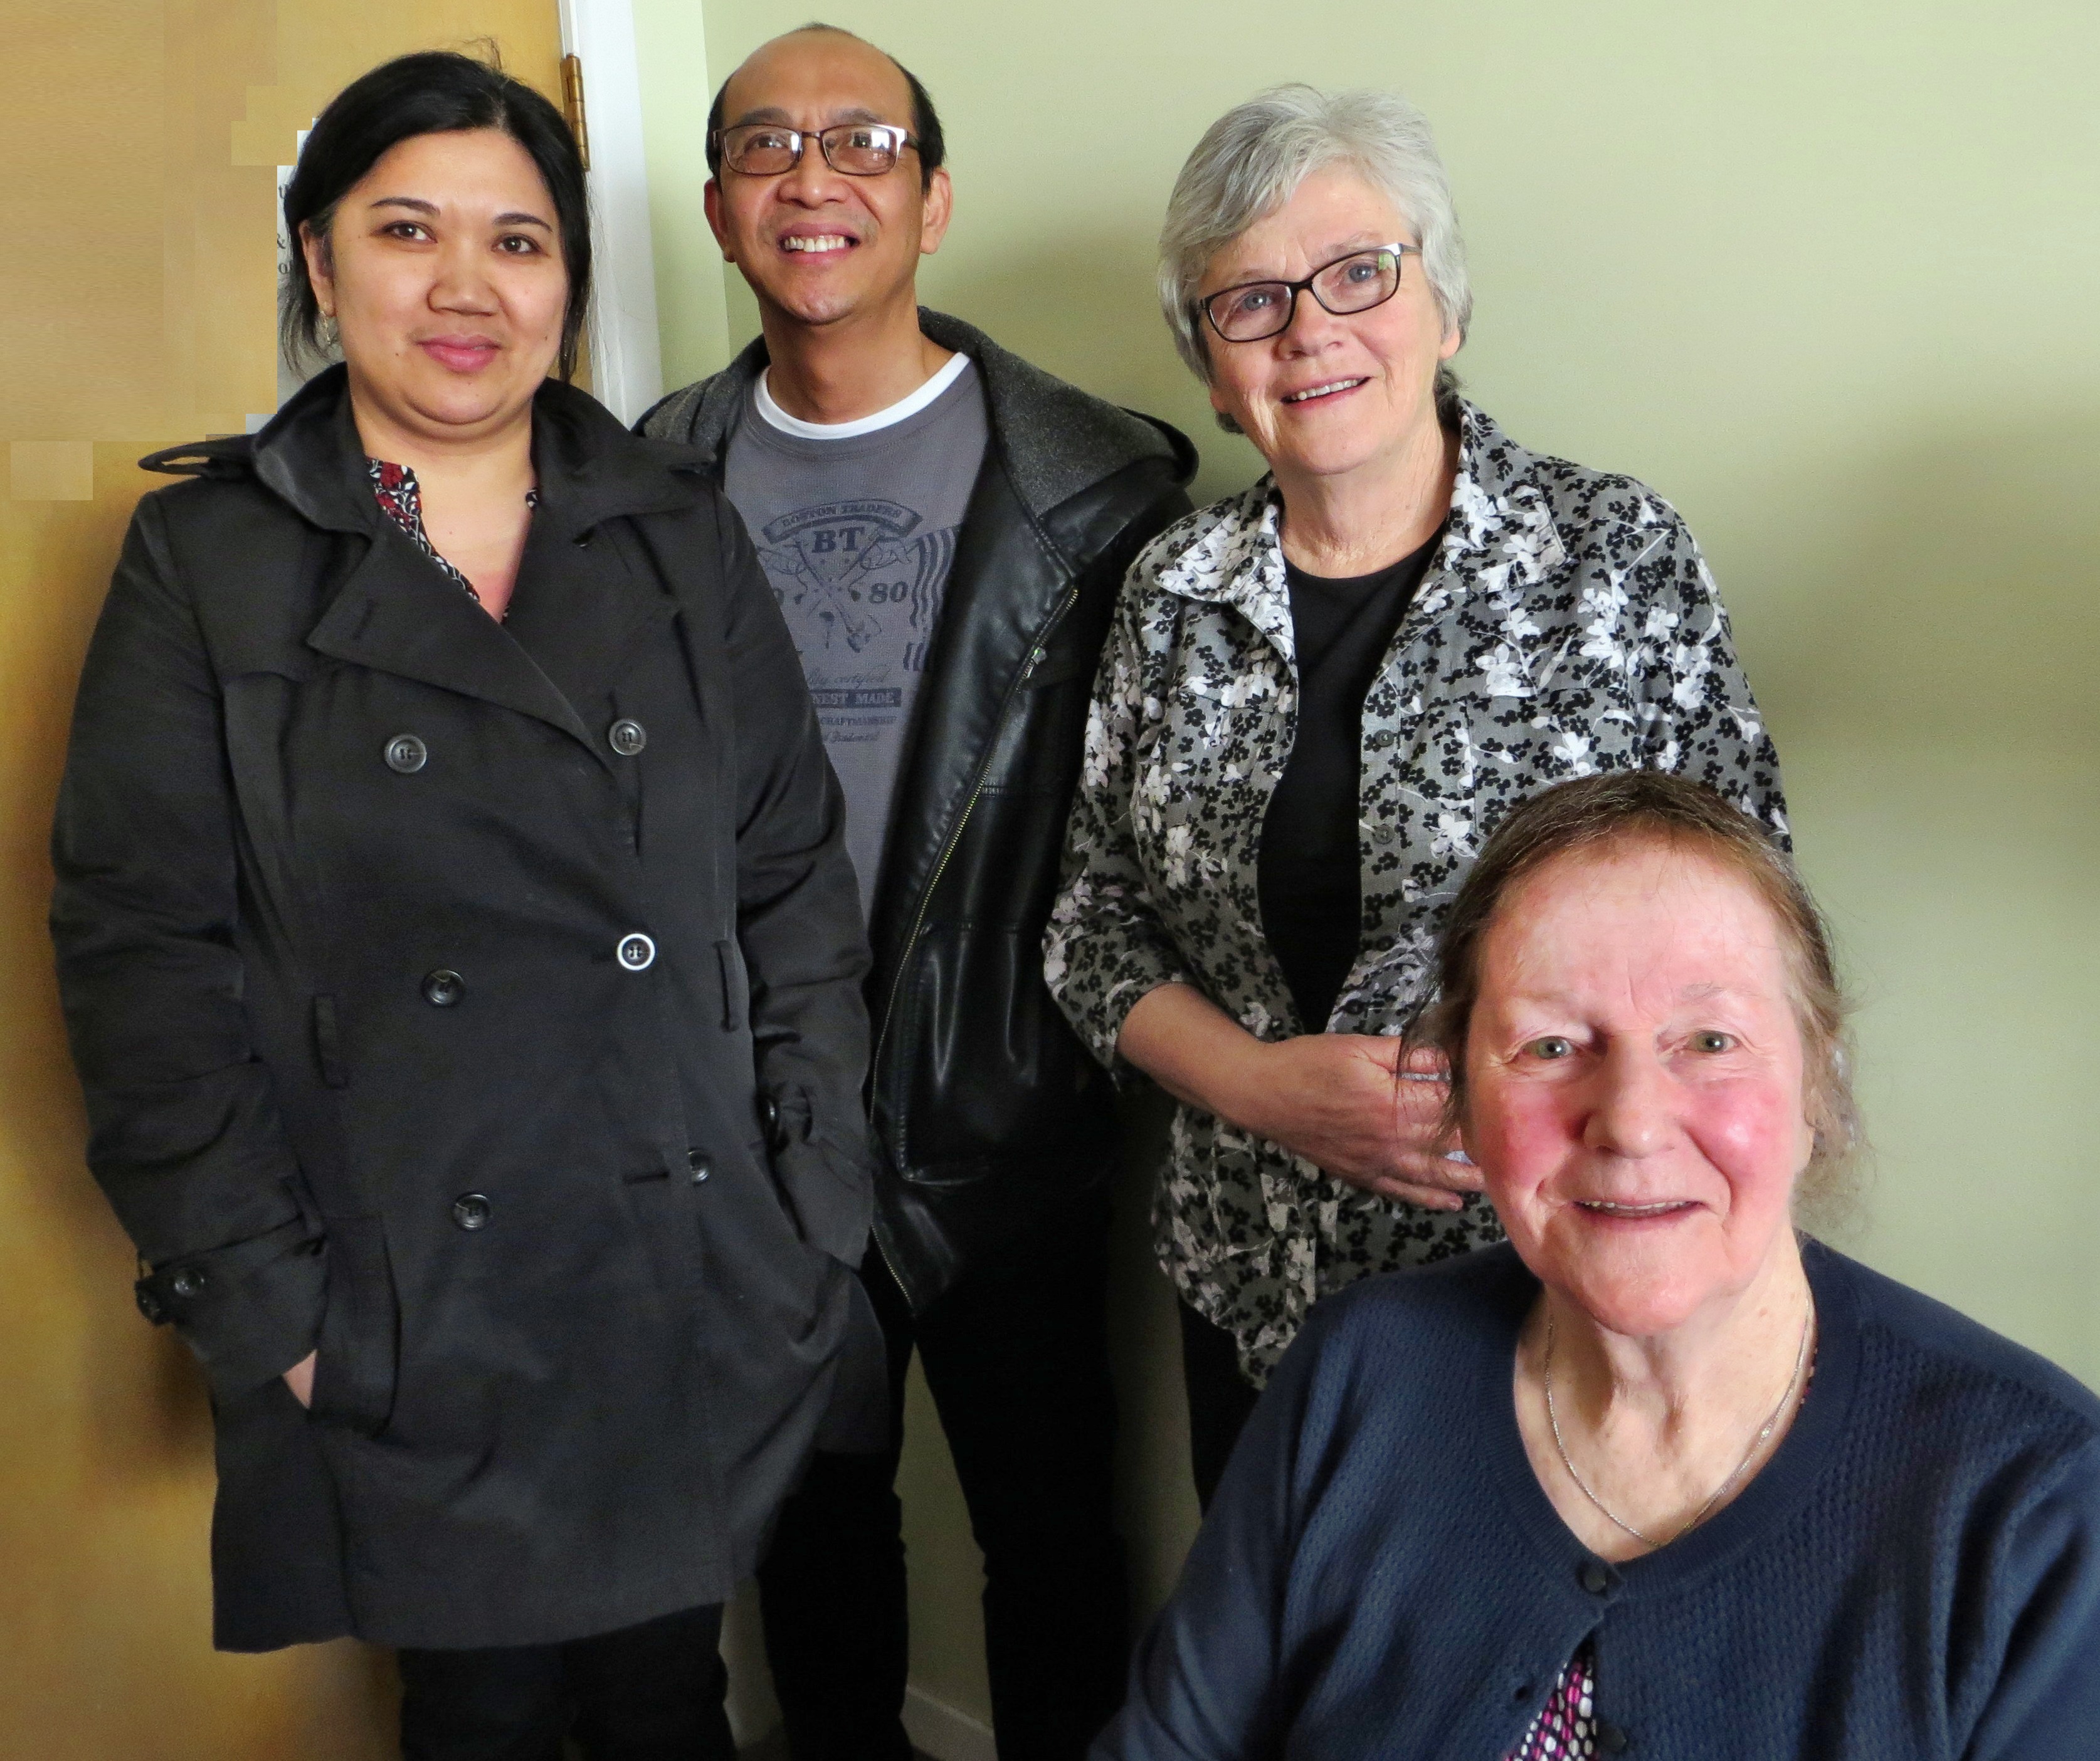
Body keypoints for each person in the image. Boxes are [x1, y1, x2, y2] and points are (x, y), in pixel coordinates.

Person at [48, 51, 880, 1761]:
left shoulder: (676, 530)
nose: (464, 287)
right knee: (478, 1711)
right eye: (406, 229)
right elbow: (143, 959)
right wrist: (265, 1305)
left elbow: (791, 876)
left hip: (682, 1257)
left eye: (516, 241)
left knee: (669, 1701)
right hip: (403, 1282)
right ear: (317, 256)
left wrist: (814, 1203)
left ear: (567, 283)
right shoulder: (210, 560)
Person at [1045, 85, 1786, 1508]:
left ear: (1441, 306)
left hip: (1557, 1284)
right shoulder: (1171, 594)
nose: (1308, 329)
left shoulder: (1611, 558)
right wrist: (1262, 1088)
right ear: (1212, 371)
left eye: (1357, 274)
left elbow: (1744, 934)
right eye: (1249, 302)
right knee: (1284, 1639)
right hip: (1250, 1279)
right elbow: (1092, 923)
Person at [1094, 770, 2100, 1758]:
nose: (1628, 1121)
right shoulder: (1356, 1370)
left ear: (1815, 1084)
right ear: (1462, 1098)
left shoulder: (2035, 1498)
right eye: (1548, 1046)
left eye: (1709, 1039)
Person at [636, 23, 1195, 1761]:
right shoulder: (641, 481)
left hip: (1008, 1113)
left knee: (1055, 1542)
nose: (811, 176)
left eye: (861, 142)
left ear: (932, 199)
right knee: (809, 1537)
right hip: (756, 1116)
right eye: (763, 145)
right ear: (720, 210)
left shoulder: (1100, 489)